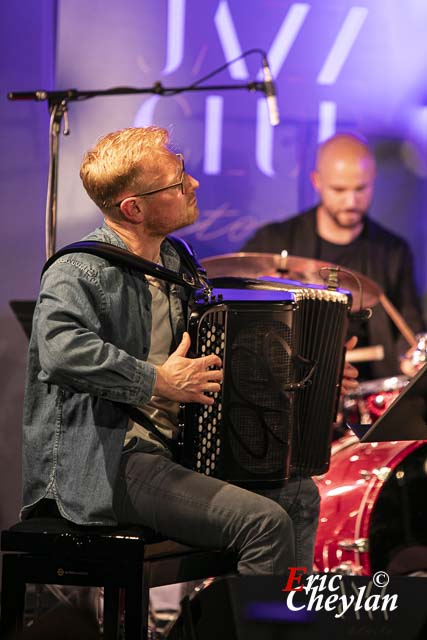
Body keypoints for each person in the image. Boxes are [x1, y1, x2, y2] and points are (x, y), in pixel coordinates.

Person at [21, 126, 356, 576]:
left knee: (298, 495)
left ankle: (275, 625)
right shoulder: (79, 270)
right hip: (107, 465)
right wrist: (159, 380)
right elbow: (61, 352)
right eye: (178, 183)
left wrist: (319, 370)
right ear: (133, 208)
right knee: (264, 523)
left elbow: (219, 350)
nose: (193, 184)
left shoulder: (175, 261)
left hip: (176, 452)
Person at [242, 132, 425, 381]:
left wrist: (410, 360)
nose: (351, 200)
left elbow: (408, 332)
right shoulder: (274, 242)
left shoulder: (392, 252)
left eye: (360, 188)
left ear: (373, 181)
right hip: (294, 383)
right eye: (339, 189)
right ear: (317, 181)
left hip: (370, 389)